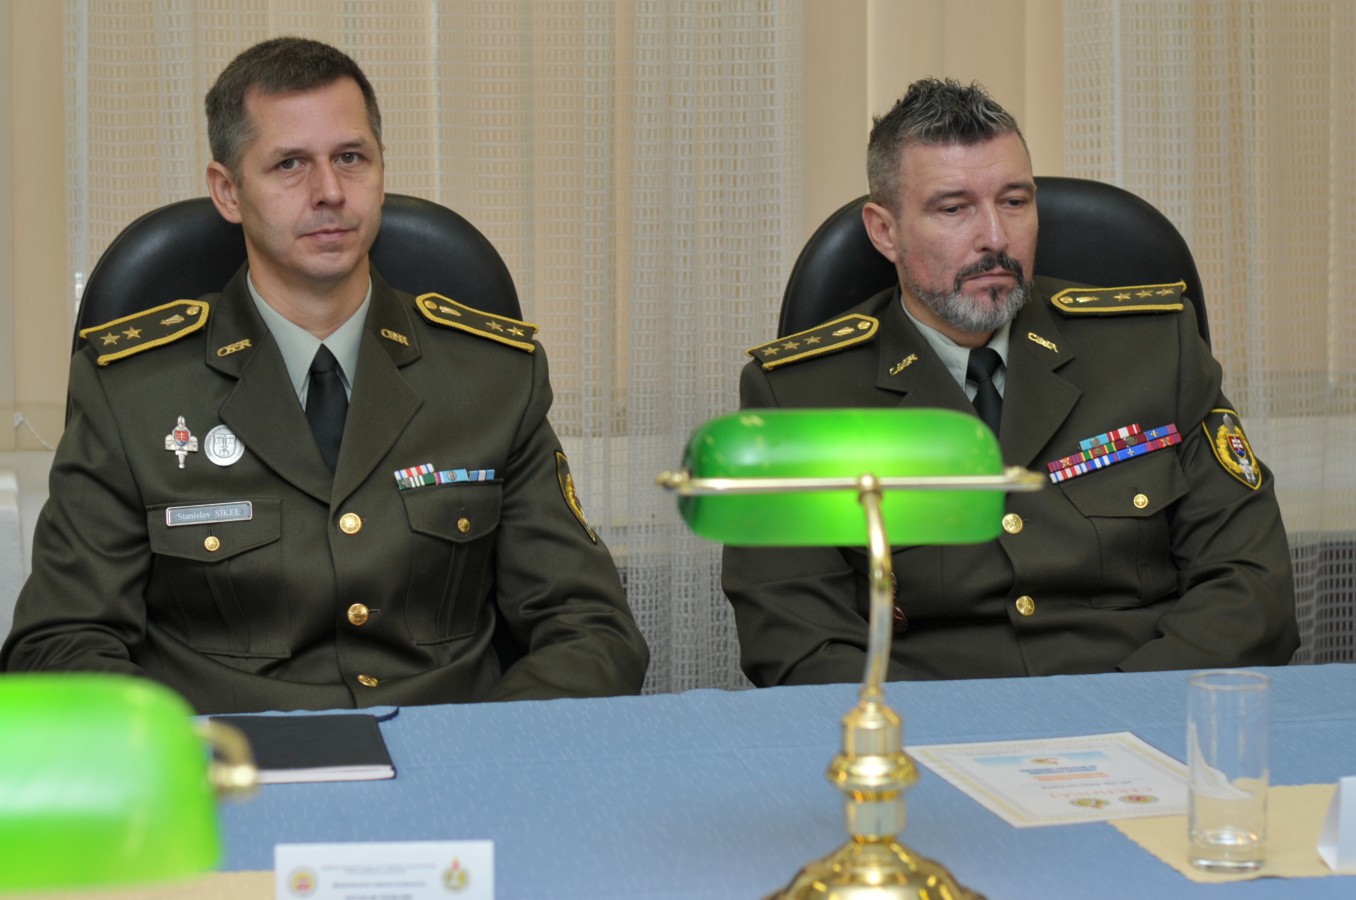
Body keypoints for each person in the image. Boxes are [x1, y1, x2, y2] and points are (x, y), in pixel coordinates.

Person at [2, 37, 648, 713]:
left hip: (451, 754)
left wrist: (480, 756)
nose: (331, 192)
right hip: (231, 762)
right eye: (290, 164)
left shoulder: (491, 377)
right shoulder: (132, 391)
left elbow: (592, 629)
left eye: (350, 158)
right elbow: (60, 645)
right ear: (228, 191)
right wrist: (187, 758)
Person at [723, 78, 1298, 686]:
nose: (995, 238)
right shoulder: (797, 397)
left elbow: (1250, 587)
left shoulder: (1153, 348)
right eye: (954, 209)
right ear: (885, 231)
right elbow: (797, 641)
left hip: (1148, 713)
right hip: (929, 728)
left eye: (1015, 202)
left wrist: (1123, 711)